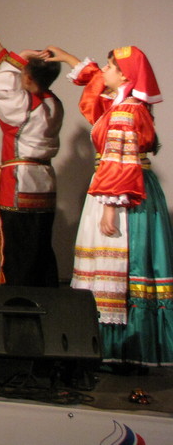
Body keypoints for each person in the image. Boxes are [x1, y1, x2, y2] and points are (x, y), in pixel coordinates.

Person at [47, 43, 173, 366]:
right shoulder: (125, 104)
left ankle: (119, 347)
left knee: (119, 262)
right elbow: (95, 82)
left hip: (120, 193)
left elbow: (120, 160)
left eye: (110, 66)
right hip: (125, 188)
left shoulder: (125, 111)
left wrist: (110, 207)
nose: (104, 71)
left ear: (125, 75)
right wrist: (67, 58)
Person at [0, 28, 63, 287]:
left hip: (19, 182)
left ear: (26, 77)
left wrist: (21, 54)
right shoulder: (54, 103)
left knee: (17, 249)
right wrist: (0, 48)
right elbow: (16, 82)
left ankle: (17, 299)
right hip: (44, 182)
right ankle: (47, 298)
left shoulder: (25, 107)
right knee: (39, 247)